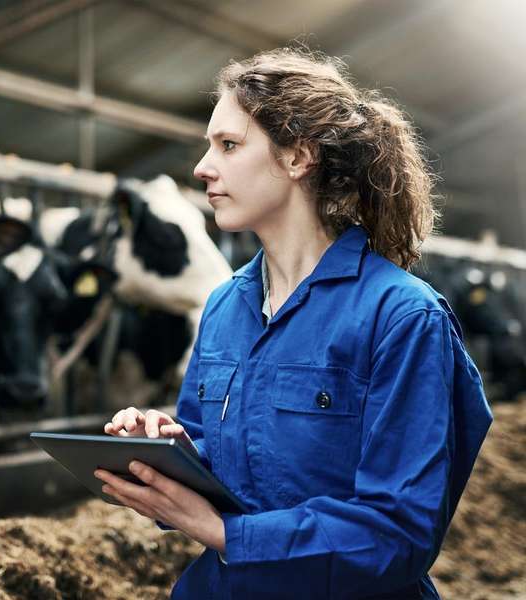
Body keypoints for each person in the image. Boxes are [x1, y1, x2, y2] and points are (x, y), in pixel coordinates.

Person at [94, 47, 493, 599]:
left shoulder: (401, 316)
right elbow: (233, 459)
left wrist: (219, 531)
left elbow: (399, 533)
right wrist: (171, 454)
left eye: (229, 145)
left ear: (297, 158)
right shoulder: (223, 306)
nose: (202, 167)